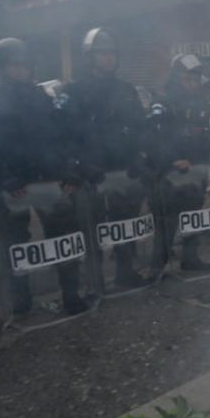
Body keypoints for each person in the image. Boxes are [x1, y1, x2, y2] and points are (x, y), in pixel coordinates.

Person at [0, 37, 89, 315]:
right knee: (15, 243)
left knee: (64, 237)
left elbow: (61, 138)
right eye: (13, 66)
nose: (20, 71)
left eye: (24, 66)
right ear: (1, 68)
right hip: (15, 187)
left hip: (49, 182)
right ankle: (20, 299)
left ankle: (71, 294)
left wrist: (69, 170)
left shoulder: (42, 97)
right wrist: (5, 177)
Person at [57, 28, 150, 287]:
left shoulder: (126, 90)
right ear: (90, 57)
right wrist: (79, 166)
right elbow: (64, 135)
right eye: (102, 54)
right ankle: (95, 282)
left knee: (125, 225)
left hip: (122, 174)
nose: (108, 59)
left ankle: (125, 272)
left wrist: (137, 158)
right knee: (91, 229)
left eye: (111, 54)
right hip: (91, 176)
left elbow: (139, 129)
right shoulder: (74, 91)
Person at [147, 53, 210, 272]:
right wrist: (174, 159)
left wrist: (202, 162)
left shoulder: (200, 105)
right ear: (177, 78)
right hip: (169, 174)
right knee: (167, 223)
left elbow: (206, 137)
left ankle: (190, 258)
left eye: (196, 79)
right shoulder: (163, 102)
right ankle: (158, 267)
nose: (193, 84)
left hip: (195, 173)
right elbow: (156, 137)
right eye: (188, 79)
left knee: (193, 218)